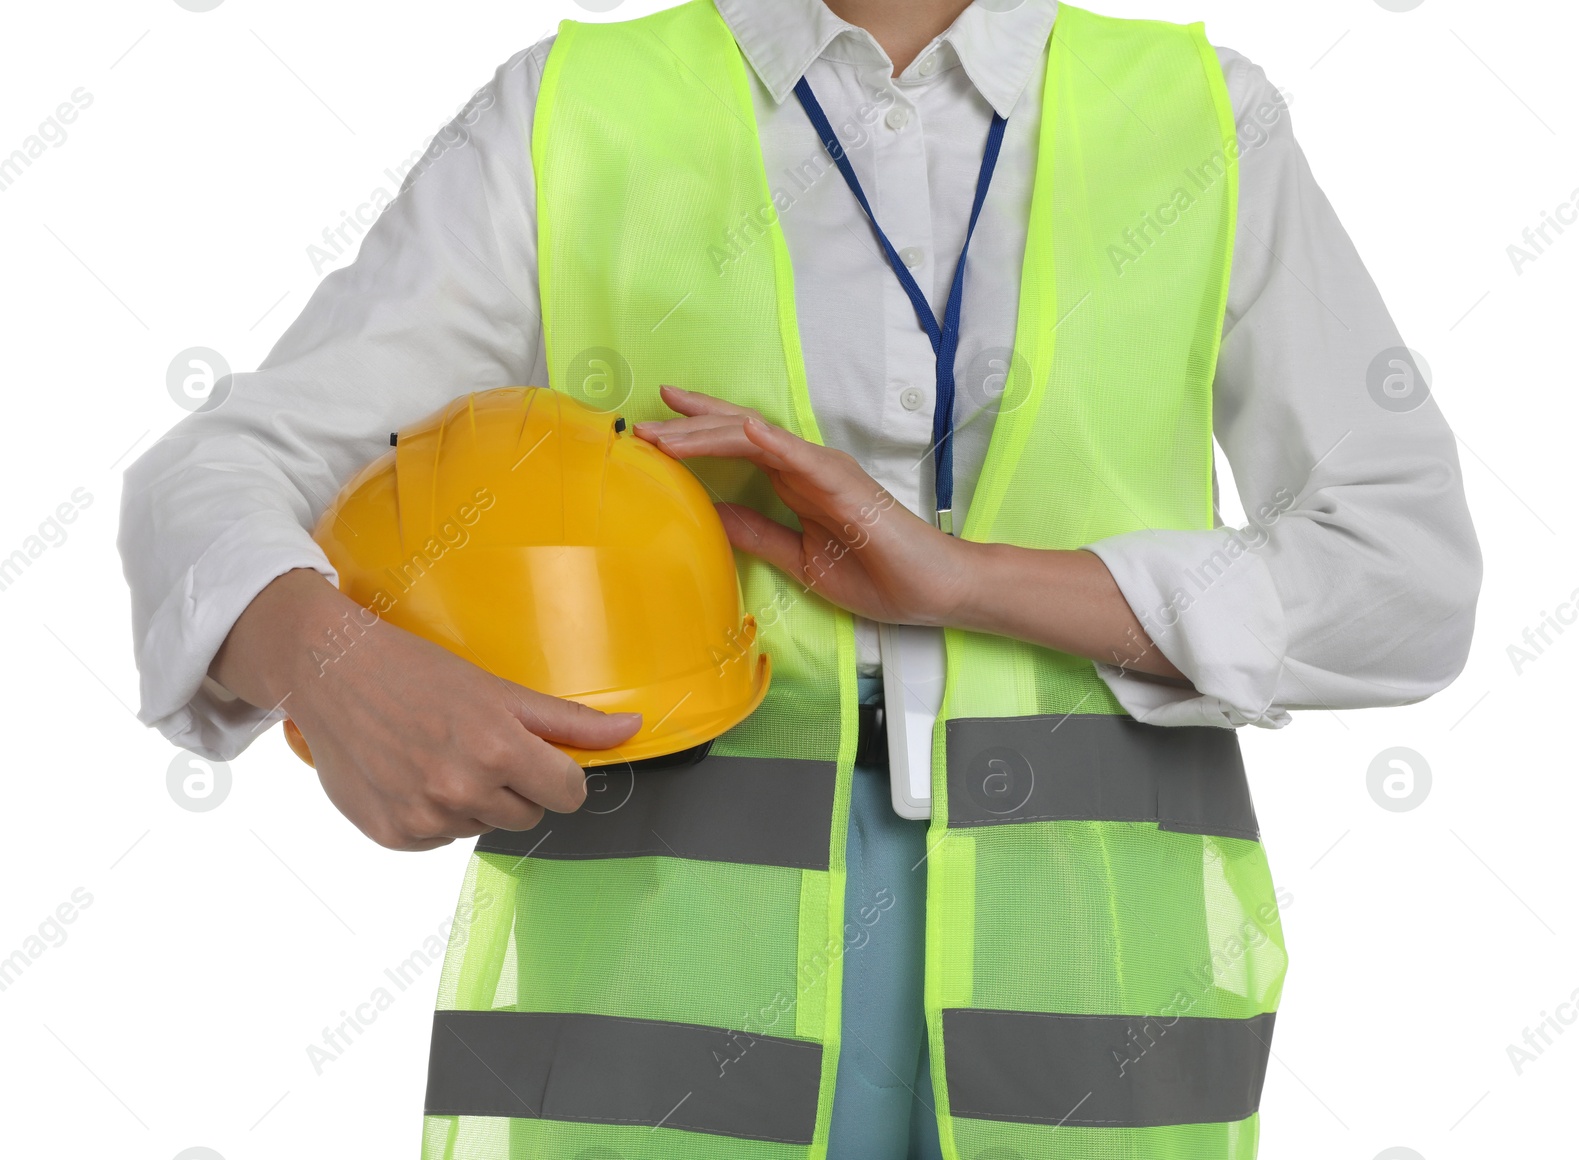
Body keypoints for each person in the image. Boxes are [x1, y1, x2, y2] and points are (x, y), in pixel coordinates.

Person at [117, 0, 1481, 1156]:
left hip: (1096, 1017)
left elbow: (1405, 572)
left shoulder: (1199, 119)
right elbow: (213, 476)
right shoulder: (578, 110)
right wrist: (324, 660)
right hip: (649, 1028)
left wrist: (965, 582)